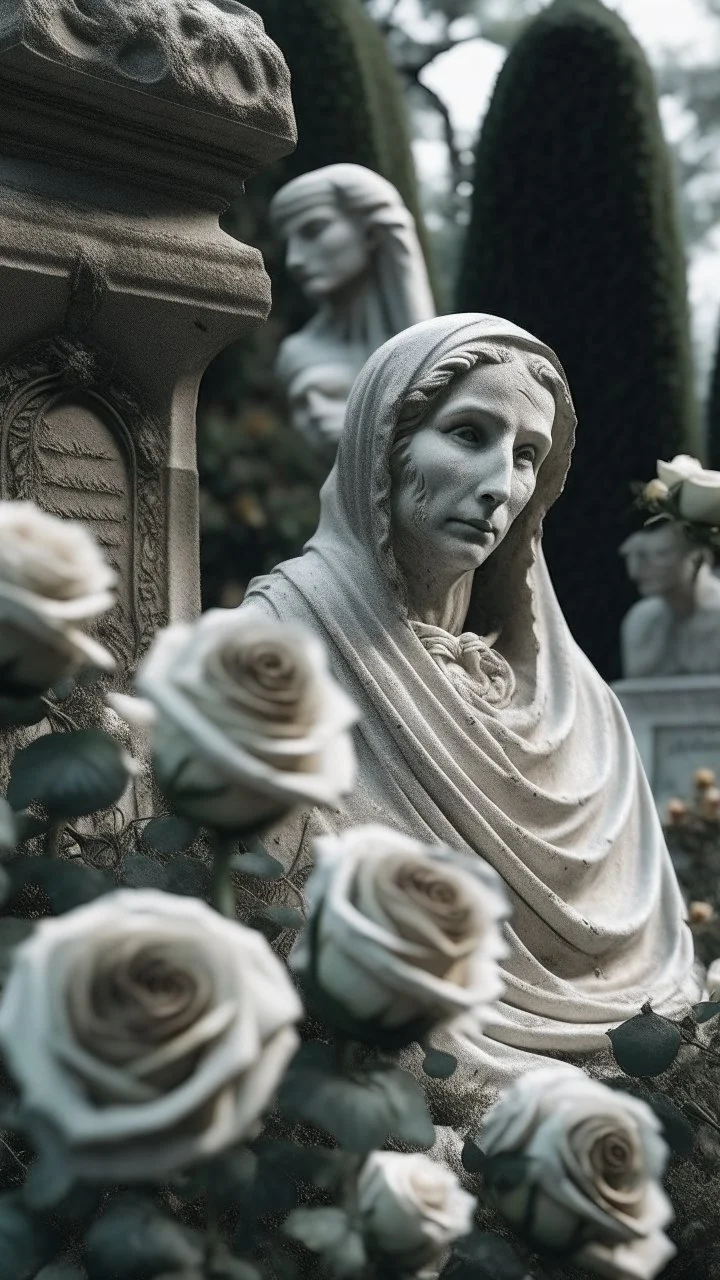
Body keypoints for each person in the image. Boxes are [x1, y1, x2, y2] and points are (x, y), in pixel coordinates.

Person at [239, 314, 697, 1096]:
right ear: (383, 443)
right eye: (468, 433)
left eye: (527, 457)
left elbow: (662, 966)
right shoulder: (276, 647)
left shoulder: (579, 705)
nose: (498, 485)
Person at [270, 164, 434, 458]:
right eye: (288, 243)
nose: (293, 260)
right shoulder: (297, 354)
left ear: (372, 231)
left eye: (313, 230)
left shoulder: (444, 348)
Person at [620, 522, 720, 676]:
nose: (636, 571)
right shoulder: (642, 620)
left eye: (662, 553)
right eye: (640, 555)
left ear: (698, 558)